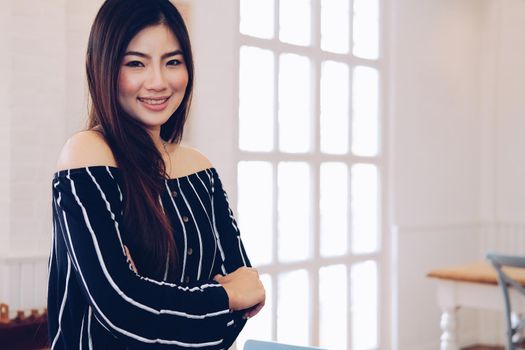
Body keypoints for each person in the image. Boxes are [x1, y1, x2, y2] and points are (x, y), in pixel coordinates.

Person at [47, 0, 265, 349]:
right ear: (102, 67)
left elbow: (248, 294)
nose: (158, 82)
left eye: (173, 62)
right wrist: (223, 296)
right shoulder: (86, 153)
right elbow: (121, 310)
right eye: (136, 63)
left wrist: (156, 298)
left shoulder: (200, 169)